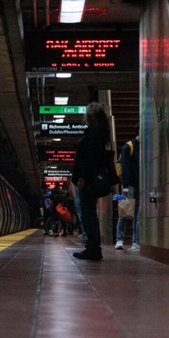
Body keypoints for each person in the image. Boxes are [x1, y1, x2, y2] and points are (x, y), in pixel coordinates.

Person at [71, 103, 119, 260]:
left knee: (88, 215)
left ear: (91, 117)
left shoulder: (93, 136)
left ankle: (93, 249)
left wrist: (82, 177)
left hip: (88, 182)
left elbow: (89, 160)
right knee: (89, 214)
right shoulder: (100, 135)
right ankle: (93, 247)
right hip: (90, 180)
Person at [116, 133, 141, 252]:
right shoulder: (128, 147)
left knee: (137, 214)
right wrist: (125, 186)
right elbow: (124, 167)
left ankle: (136, 242)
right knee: (124, 212)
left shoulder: (143, 146)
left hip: (139, 184)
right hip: (128, 185)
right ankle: (119, 240)